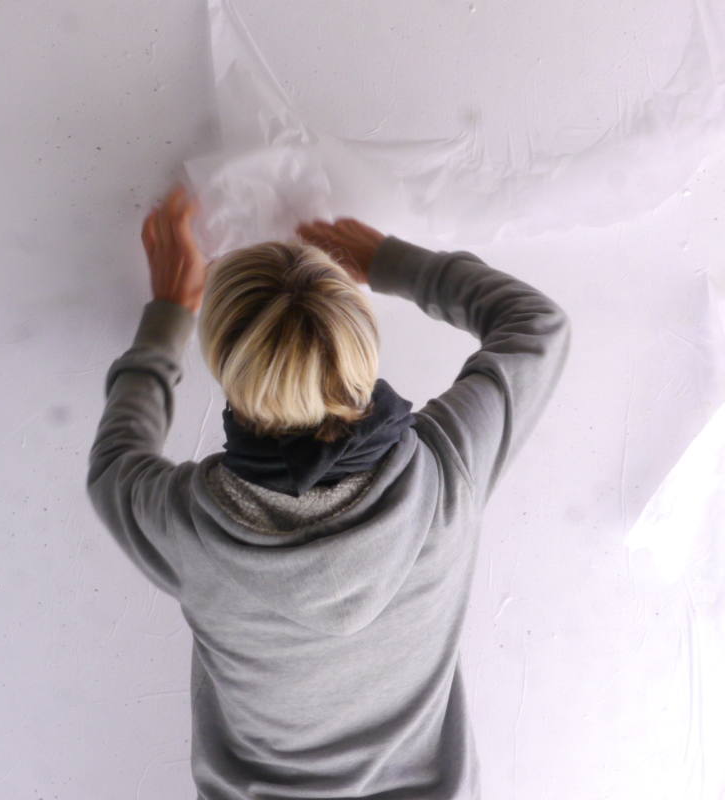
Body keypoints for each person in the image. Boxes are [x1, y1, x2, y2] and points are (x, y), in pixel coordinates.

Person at [86, 183, 572, 799]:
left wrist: (165, 318)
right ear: (362, 347)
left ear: (227, 368)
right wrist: (394, 263)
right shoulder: (447, 468)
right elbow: (536, 326)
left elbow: (116, 459)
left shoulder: (184, 526)